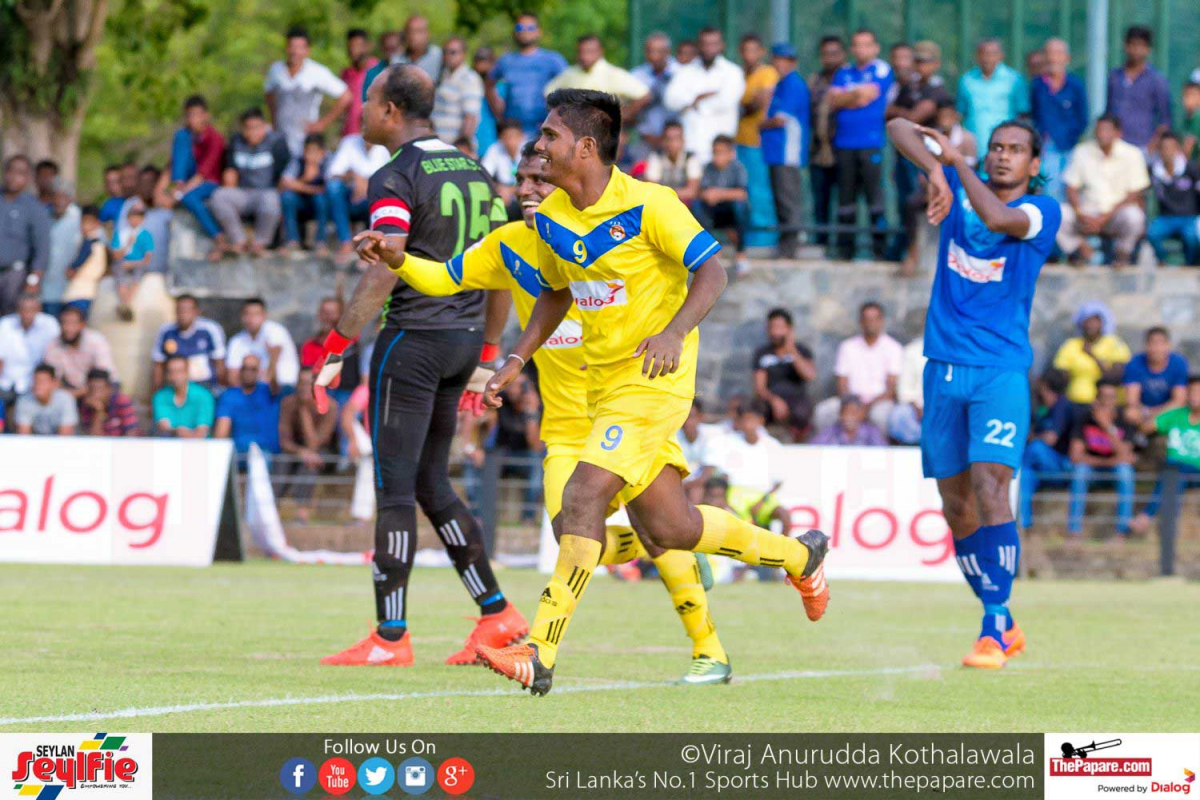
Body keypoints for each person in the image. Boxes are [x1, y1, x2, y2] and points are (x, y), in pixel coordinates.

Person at [466, 89, 829, 695]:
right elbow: (556, 291)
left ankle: (540, 652)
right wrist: (514, 359)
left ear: (585, 147)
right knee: (670, 531)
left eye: (550, 136)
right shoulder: (553, 215)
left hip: (655, 382)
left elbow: (713, 270)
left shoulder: (651, 203)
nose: (539, 145)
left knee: (582, 497)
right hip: (604, 387)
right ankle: (800, 557)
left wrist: (674, 331)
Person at [311, 64, 525, 668]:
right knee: (432, 482)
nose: (361, 110)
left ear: (391, 110)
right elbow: (503, 267)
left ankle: (391, 636)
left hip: (412, 340)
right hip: (463, 341)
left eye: (368, 100)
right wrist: (487, 354)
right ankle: (497, 613)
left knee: (395, 487)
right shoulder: (477, 171)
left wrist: (336, 346)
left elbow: (387, 263)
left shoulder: (395, 174)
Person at [888, 112, 1061, 668]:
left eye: (1015, 149)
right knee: (956, 506)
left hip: (999, 370)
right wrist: (934, 171)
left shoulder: (1042, 210)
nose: (1003, 155)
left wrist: (955, 164)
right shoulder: (958, 186)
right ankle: (1002, 619)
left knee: (991, 486)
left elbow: (997, 215)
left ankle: (992, 629)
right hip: (943, 367)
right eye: (996, 147)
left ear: (1034, 164)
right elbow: (898, 127)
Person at [828, 29, 893, 260]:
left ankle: (879, 251)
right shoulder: (843, 72)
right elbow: (833, 100)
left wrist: (848, 96)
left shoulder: (881, 69)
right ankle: (845, 251)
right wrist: (854, 96)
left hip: (870, 142)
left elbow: (868, 95)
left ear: (875, 48)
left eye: (866, 44)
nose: (861, 49)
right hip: (844, 143)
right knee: (846, 199)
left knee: (874, 197)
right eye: (857, 44)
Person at [1057, 115, 1150, 268]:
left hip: (1116, 215)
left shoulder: (1133, 154)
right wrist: (1079, 213)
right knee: (1058, 213)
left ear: (1118, 133)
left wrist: (1106, 216)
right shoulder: (1082, 151)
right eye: (1099, 130)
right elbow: (1071, 187)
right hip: (1087, 214)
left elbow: (1135, 193)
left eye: (1107, 130)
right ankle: (1080, 250)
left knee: (1135, 216)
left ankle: (1121, 256)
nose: (1102, 134)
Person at [209, 108, 291, 260]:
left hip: (266, 192)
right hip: (243, 192)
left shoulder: (277, 142)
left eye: (257, 127)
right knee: (219, 196)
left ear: (264, 126)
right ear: (243, 129)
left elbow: (284, 174)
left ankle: (259, 243)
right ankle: (238, 240)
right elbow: (229, 170)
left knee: (271, 200)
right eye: (249, 128)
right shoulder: (236, 141)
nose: (253, 132)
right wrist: (229, 175)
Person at [811, 301, 903, 433]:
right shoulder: (847, 347)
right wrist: (852, 405)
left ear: (881, 321)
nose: (870, 323)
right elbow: (842, 383)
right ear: (860, 321)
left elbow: (891, 388)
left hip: (879, 402)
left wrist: (867, 406)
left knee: (881, 416)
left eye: (874, 319)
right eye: (867, 319)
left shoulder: (893, 348)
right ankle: (828, 443)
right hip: (850, 400)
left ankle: (879, 445)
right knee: (824, 412)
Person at [263, 26, 351, 160]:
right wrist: (274, 120)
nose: (295, 51)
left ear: (307, 50)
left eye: (300, 47)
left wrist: (322, 124)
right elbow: (268, 93)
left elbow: (346, 96)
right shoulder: (276, 70)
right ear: (286, 48)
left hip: (306, 141)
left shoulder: (316, 71)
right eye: (292, 46)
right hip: (281, 138)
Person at [663, 27, 745, 166]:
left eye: (713, 44)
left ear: (721, 45)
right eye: (705, 44)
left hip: (720, 154)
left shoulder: (733, 72)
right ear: (698, 45)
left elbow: (725, 101)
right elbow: (670, 100)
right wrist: (698, 98)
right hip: (690, 149)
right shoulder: (686, 71)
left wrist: (692, 103)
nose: (709, 48)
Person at [1130, 374, 1200, 534]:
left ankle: (1146, 516)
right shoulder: (1177, 414)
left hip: (1195, 471)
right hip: (1174, 471)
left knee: (1174, 472)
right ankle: (1168, 526)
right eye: (1191, 391)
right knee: (1175, 477)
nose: (1194, 396)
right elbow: (1145, 427)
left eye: (1198, 392)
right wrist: (1143, 412)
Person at [760, 43, 809, 260]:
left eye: (785, 60)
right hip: (775, 150)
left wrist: (761, 124)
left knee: (788, 199)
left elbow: (780, 119)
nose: (780, 64)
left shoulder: (793, 84)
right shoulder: (780, 84)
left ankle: (791, 246)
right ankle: (784, 243)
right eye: (778, 59)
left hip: (787, 151)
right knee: (780, 199)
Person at [1067, 379, 1135, 536]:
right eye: (1104, 397)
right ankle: (1074, 532)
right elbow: (1075, 456)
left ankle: (1121, 533)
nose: (1107, 402)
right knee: (1080, 472)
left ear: (1116, 400)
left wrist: (1106, 426)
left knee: (1125, 473)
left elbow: (1126, 456)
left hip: (1114, 469)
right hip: (1092, 468)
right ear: (1096, 400)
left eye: (1112, 397)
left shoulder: (1124, 420)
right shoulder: (1085, 418)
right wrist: (1108, 461)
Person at [732, 34, 778, 252]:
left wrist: (740, 107)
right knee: (743, 190)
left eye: (753, 50)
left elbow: (761, 101)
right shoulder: (739, 74)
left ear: (761, 52)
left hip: (756, 142)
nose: (749, 55)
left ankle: (764, 238)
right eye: (745, 50)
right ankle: (746, 236)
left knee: (759, 190)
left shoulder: (767, 73)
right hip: (738, 141)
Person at [490, 12, 567, 138]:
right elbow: (489, 83)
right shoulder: (506, 60)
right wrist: (498, 112)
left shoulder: (553, 59)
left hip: (544, 128)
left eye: (530, 28)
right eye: (520, 28)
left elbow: (568, 85)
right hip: (513, 130)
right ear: (514, 32)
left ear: (539, 32)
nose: (525, 31)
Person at [1029, 39, 1088, 201]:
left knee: (1072, 188)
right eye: (1049, 53)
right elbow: (1034, 114)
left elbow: (1083, 117)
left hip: (1070, 145)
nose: (1053, 58)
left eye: (1058, 53)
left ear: (1066, 58)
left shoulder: (1075, 85)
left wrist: (1073, 136)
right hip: (1047, 147)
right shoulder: (1038, 85)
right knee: (1050, 189)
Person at [278, 367, 338, 523]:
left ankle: (302, 513)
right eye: (301, 383)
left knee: (310, 464)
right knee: (282, 462)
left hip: (323, 450)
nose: (304, 387)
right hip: (296, 449)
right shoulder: (288, 403)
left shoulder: (330, 406)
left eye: (308, 384)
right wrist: (301, 452)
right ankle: (273, 510)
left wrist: (304, 411)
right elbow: (284, 441)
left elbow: (315, 443)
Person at [1018, 368, 1075, 529]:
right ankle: (1024, 526)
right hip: (1039, 468)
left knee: (1035, 448)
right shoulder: (1042, 408)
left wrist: (1032, 437)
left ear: (1045, 385)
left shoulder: (1062, 405)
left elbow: (1051, 439)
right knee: (1024, 475)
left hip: (1061, 466)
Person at [168, 95, 226, 243]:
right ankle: (177, 185)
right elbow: (178, 162)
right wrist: (176, 185)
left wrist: (183, 191)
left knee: (189, 198)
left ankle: (217, 235)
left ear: (205, 115)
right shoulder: (184, 136)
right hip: (188, 181)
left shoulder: (215, 138)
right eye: (189, 115)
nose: (193, 120)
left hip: (210, 182)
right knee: (181, 136)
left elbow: (204, 173)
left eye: (196, 115)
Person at [1104, 26, 1171, 152]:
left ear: (1148, 49)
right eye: (1132, 44)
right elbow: (1109, 111)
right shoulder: (1115, 77)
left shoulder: (1156, 80)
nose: (1136, 50)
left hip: (1143, 146)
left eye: (1141, 45)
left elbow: (1165, 119)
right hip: (1116, 145)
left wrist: (1152, 146)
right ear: (1125, 46)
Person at [545, 35, 650, 114]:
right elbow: (548, 93)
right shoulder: (570, 73)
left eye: (589, 51)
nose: (584, 56)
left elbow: (644, 95)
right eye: (581, 51)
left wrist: (622, 117)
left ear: (600, 51)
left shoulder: (613, 74)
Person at [325, 131, 390, 258]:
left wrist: (369, 185)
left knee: (384, 192)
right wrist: (353, 177)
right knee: (334, 187)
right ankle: (345, 241)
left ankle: (375, 244)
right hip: (352, 197)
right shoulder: (350, 142)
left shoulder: (387, 145)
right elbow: (332, 174)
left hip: (374, 197)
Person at [1052, 301, 1131, 406]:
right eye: (1087, 321)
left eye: (1095, 321)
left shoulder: (1114, 343)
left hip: (1106, 404)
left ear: (1102, 322)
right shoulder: (1071, 345)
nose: (1091, 325)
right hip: (1074, 402)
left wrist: (1093, 356)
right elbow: (1059, 375)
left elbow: (1116, 376)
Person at [956, 39, 1028, 152]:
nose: (987, 58)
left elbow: (1023, 113)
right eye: (983, 53)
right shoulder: (967, 80)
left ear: (1001, 55)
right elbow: (960, 112)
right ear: (977, 56)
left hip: (1005, 147)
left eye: (992, 54)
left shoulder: (1014, 79)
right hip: (975, 146)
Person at [752, 307, 815, 437]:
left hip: (796, 400)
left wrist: (792, 351)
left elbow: (809, 375)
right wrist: (774, 400)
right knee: (756, 410)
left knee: (801, 413)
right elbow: (759, 388)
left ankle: (798, 442)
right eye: (772, 327)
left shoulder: (802, 351)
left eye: (779, 327)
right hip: (770, 399)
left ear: (789, 329)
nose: (775, 332)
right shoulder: (762, 353)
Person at [0, 156, 50, 316]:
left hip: (15, 276)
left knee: (9, 321)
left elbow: (42, 247)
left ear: (28, 177)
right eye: (11, 171)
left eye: (20, 173)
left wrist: (34, 280)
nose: (14, 177)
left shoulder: (34, 207)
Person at [809, 36, 846, 249]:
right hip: (819, 151)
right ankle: (821, 244)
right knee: (820, 200)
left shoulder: (849, 78)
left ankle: (843, 246)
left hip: (843, 149)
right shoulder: (815, 80)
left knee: (845, 201)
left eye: (834, 53)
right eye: (826, 54)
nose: (830, 58)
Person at [691, 136, 749, 274]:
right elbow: (702, 191)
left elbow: (742, 193)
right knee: (698, 206)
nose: (717, 156)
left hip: (731, 211)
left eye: (721, 152)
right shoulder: (708, 168)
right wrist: (708, 195)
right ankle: (711, 250)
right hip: (714, 211)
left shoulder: (738, 168)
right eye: (715, 152)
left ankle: (741, 254)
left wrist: (719, 194)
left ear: (730, 153)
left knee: (740, 207)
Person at [700, 399, 784, 490]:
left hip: (763, 496)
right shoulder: (725, 443)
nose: (747, 424)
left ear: (761, 420)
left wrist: (764, 498)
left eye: (751, 419)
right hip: (731, 495)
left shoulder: (773, 445)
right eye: (744, 420)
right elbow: (718, 474)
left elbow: (778, 481)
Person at [1146, 132, 1200, 265]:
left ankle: (1190, 264)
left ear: (1178, 149)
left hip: (1190, 218)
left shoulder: (1190, 169)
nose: (1168, 151)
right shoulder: (1154, 171)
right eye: (1164, 148)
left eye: (1171, 147)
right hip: (1166, 218)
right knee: (1152, 233)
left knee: (1192, 237)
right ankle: (1164, 261)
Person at [152, 294, 226, 389]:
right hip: (175, 387)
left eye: (187, 310)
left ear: (196, 311)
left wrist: (219, 388)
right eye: (180, 310)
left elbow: (219, 363)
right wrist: (156, 392)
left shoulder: (209, 329)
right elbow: (158, 366)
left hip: (205, 386)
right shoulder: (166, 332)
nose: (183, 314)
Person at [42, 305, 116, 399]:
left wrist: (74, 394)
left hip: (100, 386)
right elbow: (53, 379)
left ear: (82, 325)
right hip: (72, 388)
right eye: (65, 323)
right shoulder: (53, 344)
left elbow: (102, 376)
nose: (68, 328)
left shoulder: (96, 341)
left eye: (73, 323)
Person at [225, 297, 300, 390]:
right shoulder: (236, 341)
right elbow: (232, 377)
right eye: (247, 314)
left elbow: (272, 369)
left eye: (255, 314)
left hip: (283, 387)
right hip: (250, 390)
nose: (251, 318)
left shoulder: (275, 331)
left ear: (264, 315)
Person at [214, 353, 281, 456]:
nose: (248, 372)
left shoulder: (268, 391)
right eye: (245, 368)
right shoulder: (230, 395)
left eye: (253, 369)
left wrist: (273, 359)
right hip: (240, 454)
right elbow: (222, 429)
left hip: (269, 453)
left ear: (259, 371)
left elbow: (274, 383)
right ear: (240, 371)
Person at [300, 297, 362, 405]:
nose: (327, 317)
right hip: (320, 393)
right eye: (324, 313)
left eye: (332, 313)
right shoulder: (310, 345)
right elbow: (307, 374)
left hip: (346, 393)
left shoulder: (352, 340)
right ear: (319, 315)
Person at [1122, 326, 1188, 426]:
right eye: (1153, 343)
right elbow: (1132, 400)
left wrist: (1156, 416)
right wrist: (1146, 413)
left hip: (1168, 410)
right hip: (1143, 410)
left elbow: (1179, 400)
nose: (1157, 348)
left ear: (1168, 345)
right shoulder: (1134, 363)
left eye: (1161, 343)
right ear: (1146, 345)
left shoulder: (1178, 363)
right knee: (1130, 413)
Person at [0, 295, 60, 404]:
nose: (27, 313)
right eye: (23, 309)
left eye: (31, 309)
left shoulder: (49, 324)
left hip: (35, 383)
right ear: (18, 309)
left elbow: (53, 358)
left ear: (39, 309)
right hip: (6, 382)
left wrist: (43, 384)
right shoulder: (5, 324)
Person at [279, 134, 331, 254]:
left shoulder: (329, 161)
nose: (309, 155)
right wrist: (305, 179)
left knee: (321, 199)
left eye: (314, 151)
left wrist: (299, 186)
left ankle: (321, 242)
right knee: (287, 197)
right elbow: (284, 183)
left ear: (322, 152)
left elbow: (329, 187)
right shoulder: (298, 160)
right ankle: (292, 241)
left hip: (321, 202)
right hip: (302, 200)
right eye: (307, 151)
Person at [432, 37, 484, 148]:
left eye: (453, 52)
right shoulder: (442, 76)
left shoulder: (469, 78)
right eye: (445, 52)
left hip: (456, 146)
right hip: (440, 144)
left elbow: (471, 116)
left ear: (464, 54)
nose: (448, 56)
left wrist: (462, 144)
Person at [630, 32, 678, 151]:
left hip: (676, 141)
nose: (655, 56)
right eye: (651, 51)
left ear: (668, 52)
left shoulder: (680, 73)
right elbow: (628, 112)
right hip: (646, 140)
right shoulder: (636, 76)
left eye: (659, 51)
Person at [42, 177, 81, 319]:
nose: (59, 201)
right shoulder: (42, 216)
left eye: (64, 197)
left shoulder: (80, 218)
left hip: (72, 289)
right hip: (44, 288)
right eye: (56, 196)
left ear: (71, 198)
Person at [109, 199, 154, 319]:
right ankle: (126, 304)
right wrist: (128, 244)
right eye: (133, 216)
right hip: (123, 262)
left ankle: (126, 304)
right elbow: (116, 255)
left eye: (139, 217)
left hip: (138, 264)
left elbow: (147, 258)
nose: (135, 220)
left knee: (137, 275)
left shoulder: (145, 235)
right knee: (119, 273)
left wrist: (132, 263)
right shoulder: (121, 234)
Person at [153, 354, 215, 438]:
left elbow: (202, 431)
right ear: (166, 374)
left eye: (179, 371)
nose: (175, 376)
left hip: (200, 444)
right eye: (171, 372)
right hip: (170, 443)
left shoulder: (204, 395)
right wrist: (179, 431)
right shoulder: (160, 396)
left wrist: (183, 433)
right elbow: (164, 427)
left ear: (187, 372)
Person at [61, 205, 107, 317]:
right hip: (90, 292)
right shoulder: (99, 244)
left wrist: (72, 268)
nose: (84, 226)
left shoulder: (90, 243)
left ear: (97, 224)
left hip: (79, 292)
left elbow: (81, 258)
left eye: (88, 222)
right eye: (83, 222)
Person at [642, 121, 701, 205]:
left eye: (676, 138)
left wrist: (667, 193)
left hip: (684, 203)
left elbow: (692, 192)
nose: (672, 143)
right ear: (663, 141)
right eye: (668, 139)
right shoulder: (656, 157)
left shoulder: (690, 158)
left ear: (683, 140)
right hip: (661, 203)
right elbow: (651, 189)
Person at [14, 363, 77, 435]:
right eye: (35, 381)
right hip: (35, 441)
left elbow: (65, 436)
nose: (38, 385)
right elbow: (24, 435)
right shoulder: (24, 401)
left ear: (54, 383)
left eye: (42, 381)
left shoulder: (66, 399)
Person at [340, 29, 379, 139]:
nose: (353, 50)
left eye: (357, 46)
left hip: (371, 135)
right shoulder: (346, 74)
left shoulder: (377, 69)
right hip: (349, 134)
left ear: (367, 47)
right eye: (350, 46)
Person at [888, 334, 926, 445]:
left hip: (943, 407)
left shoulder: (955, 349)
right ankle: (913, 446)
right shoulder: (912, 351)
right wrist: (918, 408)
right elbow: (904, 390)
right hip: (916, 407)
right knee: (899, 415)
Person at [78, 368, 139, 437]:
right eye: (91, 389)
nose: (96, 394)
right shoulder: (86, 405)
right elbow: (93, 438)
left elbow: (131, 433)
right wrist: (98, 411)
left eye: (99, 389)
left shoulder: (121, 401)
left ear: (109, 388)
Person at [812, 395, 887, 446]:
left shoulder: (872, 433)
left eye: (854, 413)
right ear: (840, 415)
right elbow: (813, 450)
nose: (849, 417)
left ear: (862, 415)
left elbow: (883, 453)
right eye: (846, 412)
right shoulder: (830, 432)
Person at [481, 119, 525, 203]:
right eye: (507, 137)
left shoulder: (529, 149)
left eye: (514, 136)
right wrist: (498, 188)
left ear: (522, 136)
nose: (511, 141)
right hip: (503, 190)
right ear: (500, 138)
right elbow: (484, 175)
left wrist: (511, 190)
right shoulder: (494, 149)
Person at [393, 15, 442, 80]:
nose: (413, 36)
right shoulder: (396, 60)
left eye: (419, 31)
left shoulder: (439, 55)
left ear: (428, 34)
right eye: (410, 31)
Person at [1183, 82, 1200, 162]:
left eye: (1192, 95)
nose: (1188, 99)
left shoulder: (1197, 116)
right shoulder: (1186, 118)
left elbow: (1188, 149)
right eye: (1186, 95)